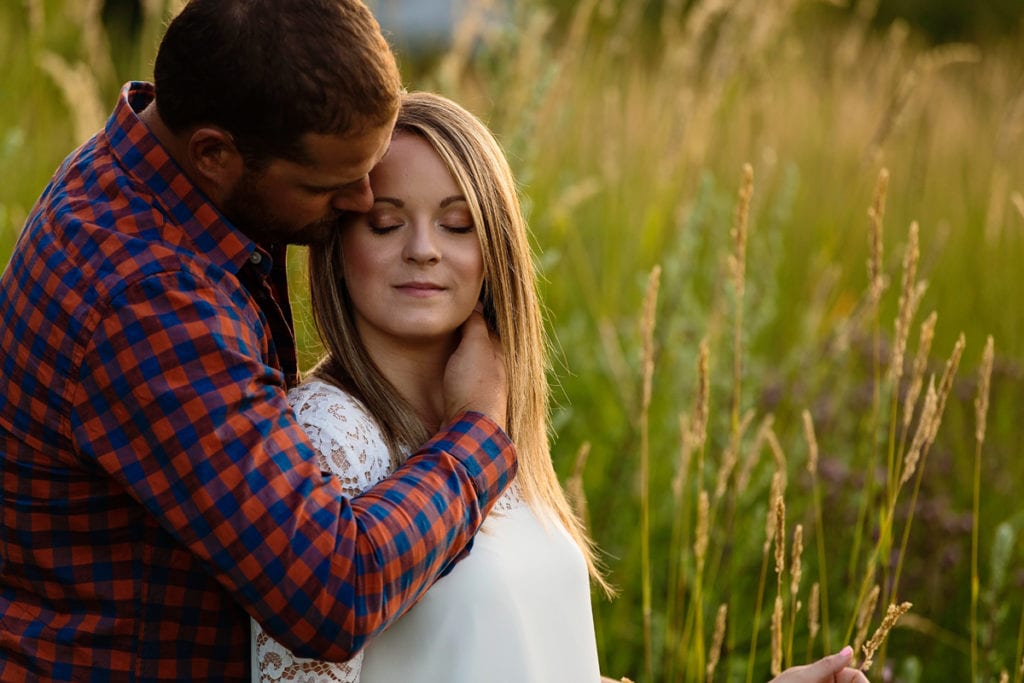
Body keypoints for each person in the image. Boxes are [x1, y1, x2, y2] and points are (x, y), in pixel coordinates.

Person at [250, 91, 870, 683]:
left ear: (496, 250)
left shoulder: (496, 429)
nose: (423, 250)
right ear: (338, 247)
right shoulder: (327, 434)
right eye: (386, 224)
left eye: (458, 225)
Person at [0, 1, 516, 680]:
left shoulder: (150, 175)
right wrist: (476, 433)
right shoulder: (149, 299)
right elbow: (333, 589)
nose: (363, 197)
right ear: (215, 153)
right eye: (328, 184)